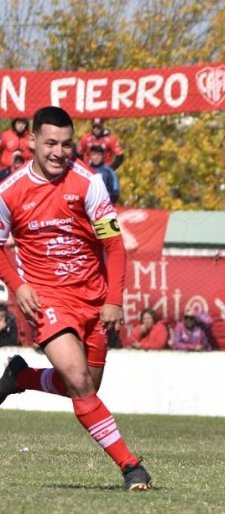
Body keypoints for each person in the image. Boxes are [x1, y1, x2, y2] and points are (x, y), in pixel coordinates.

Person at [0, 105, 151, 491]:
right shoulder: (9, 192)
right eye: (50, 143)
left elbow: (114, 245)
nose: (58, 152)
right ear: (31, 141)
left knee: (86, 387)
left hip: (94, 300)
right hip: (46, 300)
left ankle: (21, 377)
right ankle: (131, 466)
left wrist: (113, 300)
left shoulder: (88, 183)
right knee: (80, 381)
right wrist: (18, 285)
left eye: (66, 144)